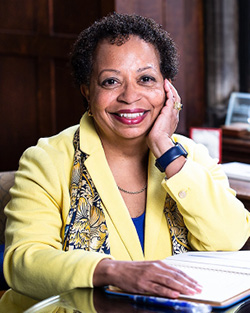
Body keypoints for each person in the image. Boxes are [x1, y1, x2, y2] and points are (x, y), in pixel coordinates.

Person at [3, 12, 250, 300]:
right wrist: (113, 271)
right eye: (110, 82)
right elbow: (22, 263)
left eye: (146, 79)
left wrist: (166, 152)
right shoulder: (46, 159)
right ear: (87, 91)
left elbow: (231, 239)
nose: (130, 96)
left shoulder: (190, 157)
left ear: (167, 89)